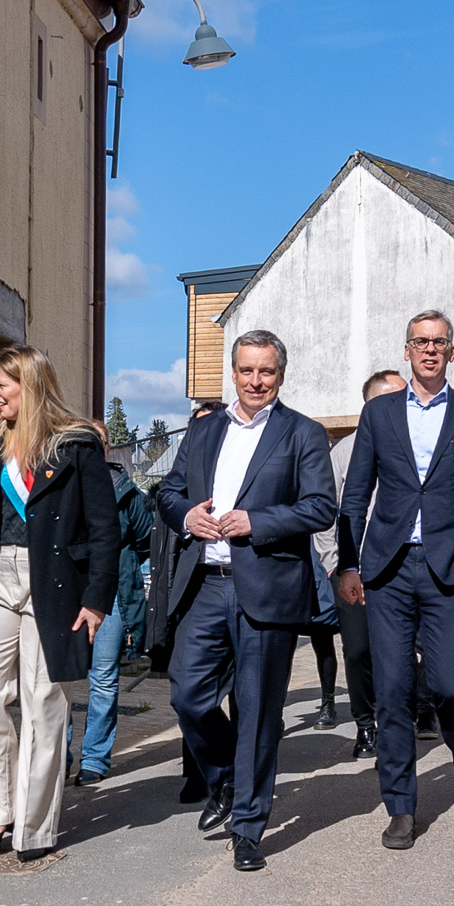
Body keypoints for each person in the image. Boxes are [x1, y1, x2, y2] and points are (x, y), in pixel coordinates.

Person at [156, 330, 336, 872]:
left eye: (267, 371)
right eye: (247, 371)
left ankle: (248, 829)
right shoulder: (204, 429)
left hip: (268, 588)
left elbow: (320, 507)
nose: (256, 381)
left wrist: (257, 521)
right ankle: (227, 778)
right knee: (188, 696)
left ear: (281, 374)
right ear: (232, 373)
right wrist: (186, 515)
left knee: (257, 713)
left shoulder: (302, 432)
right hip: (206, 585)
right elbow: (168, 491)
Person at [0, 346, 119, 861]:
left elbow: (105, 529)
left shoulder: (78, 445)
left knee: (44, 701)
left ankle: (34, 828)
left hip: (58, 583)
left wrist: (96, 599)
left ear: (31, 385)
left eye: (3, 384)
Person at [340, 312, 454, 850]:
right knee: (392, 690)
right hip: (388, 568)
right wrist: (348, 563)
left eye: (439, 342)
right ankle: (401, 807)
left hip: (452, 569)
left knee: (451, 684)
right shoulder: (379, 413)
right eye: (420, 342)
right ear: (407, 350)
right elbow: (356, 494)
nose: (429, 350)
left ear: (452, 352)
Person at [314, 370, 405, 758]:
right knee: (357, 650)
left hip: (404, 568)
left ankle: (403, 718)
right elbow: (326, 512)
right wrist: (334, 563)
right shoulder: (344, 451)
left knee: (402, 651)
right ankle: (365, 724)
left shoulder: (417, 444)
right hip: (355, 569)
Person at [149, 400, 225, 804]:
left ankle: (234, 775)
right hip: (190, 590)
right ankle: (199, 770)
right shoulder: (182, 479)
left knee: (238, 694)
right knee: (190, 690)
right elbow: (166, 502)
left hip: (237, 583)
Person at [71, 419, 154, 786]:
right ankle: (57, 757)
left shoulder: (126, 492)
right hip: (68, 592)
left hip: (112, 594)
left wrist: (123, 570)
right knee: (59, 678)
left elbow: (144, 541)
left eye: (98, 442)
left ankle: (94, 759)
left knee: (103, 677)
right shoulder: (61, 483)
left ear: (106, 449)